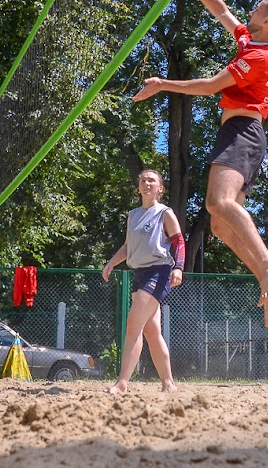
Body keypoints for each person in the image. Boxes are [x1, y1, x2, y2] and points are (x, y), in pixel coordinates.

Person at [133, 0, 268, 328]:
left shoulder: (258, 56)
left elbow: (208, 87)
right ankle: (266, 275)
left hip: (242, 132)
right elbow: (219, 8)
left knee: (216, 202)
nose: (249, 12)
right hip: (245, 134)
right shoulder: (252, 42)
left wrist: (162, 85)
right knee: (220, 225)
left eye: (256, 10)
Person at [102, 169, 185, 394]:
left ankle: (122, 383)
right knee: (151, 330)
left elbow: (179, 242)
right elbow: (128, 247)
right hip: (139, 273)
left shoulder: (164, 213)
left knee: (133, 325)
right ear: (138, 187)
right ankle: (168, 383)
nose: (147, 183)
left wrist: (178, 267)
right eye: (143, 180)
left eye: (152, 180)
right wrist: (112, 262)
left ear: (160, 188)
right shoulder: (133, 215)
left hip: (158, 272)